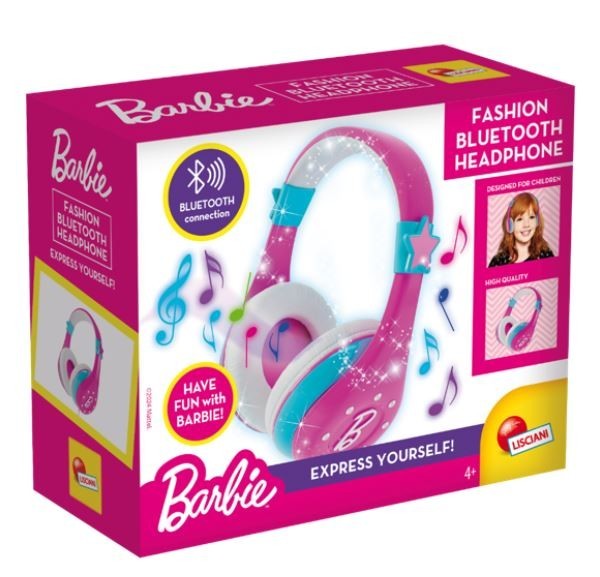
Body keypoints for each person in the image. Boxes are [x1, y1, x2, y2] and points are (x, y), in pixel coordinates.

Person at [488, 192, 554, 267]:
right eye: (519, 219)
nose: (526, 225)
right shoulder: (498, 262)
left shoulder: (545, 255)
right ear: (510, 225)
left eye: (531, 217)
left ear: (537, 221)